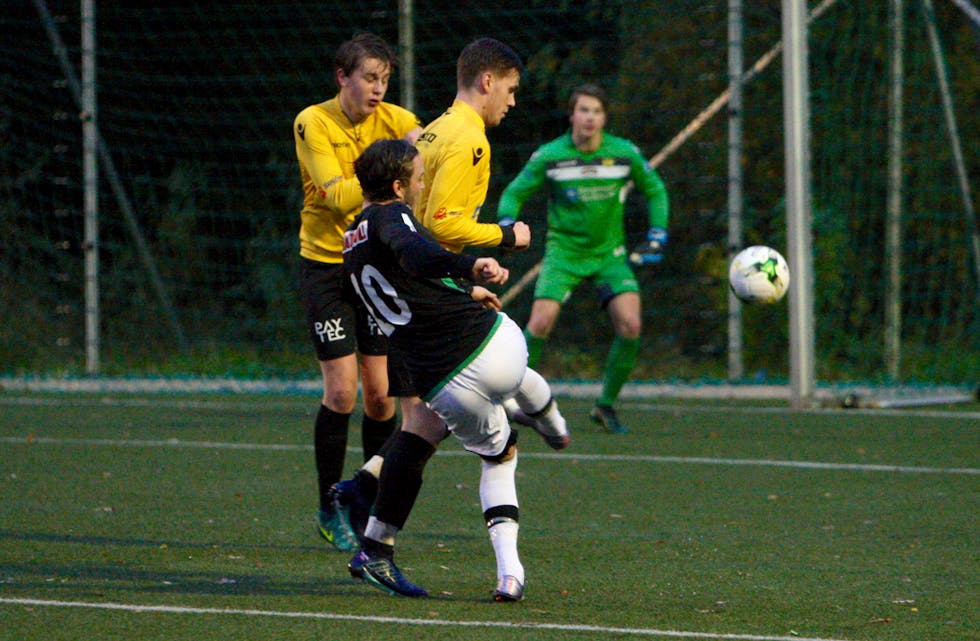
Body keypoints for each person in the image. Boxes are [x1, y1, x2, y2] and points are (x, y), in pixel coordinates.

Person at [342, 138, 569, 601]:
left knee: (425, 432)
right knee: (506, 424)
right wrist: (471, 266)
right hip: (488, 348)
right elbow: (414, 253)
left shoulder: (351, 241)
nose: (422, 185)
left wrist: (462, 290)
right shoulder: (393, 215)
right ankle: (511, 568)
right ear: (397, 186)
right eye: (418, 178)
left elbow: (406, 283)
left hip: (441, 382)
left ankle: (375, 548)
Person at [293, 32, 423, 552]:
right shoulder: (312, 121)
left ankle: (366, 501)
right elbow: (334, 197)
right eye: (368, 78)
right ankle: (329, 504)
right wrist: (390, 177)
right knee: (342, 391)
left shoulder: (396, 119)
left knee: (380, 395)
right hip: (326, 266)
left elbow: (431, 153)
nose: (378, 88)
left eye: (384, 79)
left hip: (373, 266)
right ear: (342, 77)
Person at [496, 83, 670, 434]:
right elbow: (514, 193)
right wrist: (507, 224)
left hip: (610, 256)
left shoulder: (623, 153)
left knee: (631, 325)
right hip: (564, 254)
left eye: (597, 111)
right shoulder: (551, 155)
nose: (590, 118)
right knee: (540, 323)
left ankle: (605, 405)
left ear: (604, 117)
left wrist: (657, 234)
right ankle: (506, 399)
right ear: (572, 115)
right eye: (584, 110)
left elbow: (655, 190)